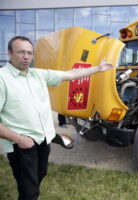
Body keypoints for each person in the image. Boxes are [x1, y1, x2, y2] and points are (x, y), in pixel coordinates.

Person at [0, 36, 114, 200]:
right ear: (10, 53)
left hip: (43, 140)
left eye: (29, 53)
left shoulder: (38, 74)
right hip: (22, 145)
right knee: (29, 191)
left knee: (39, 176)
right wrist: (19, 139)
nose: (26, 57)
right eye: (21, 52)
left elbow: (70, 74)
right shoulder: (2, 78)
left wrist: (97, 68)